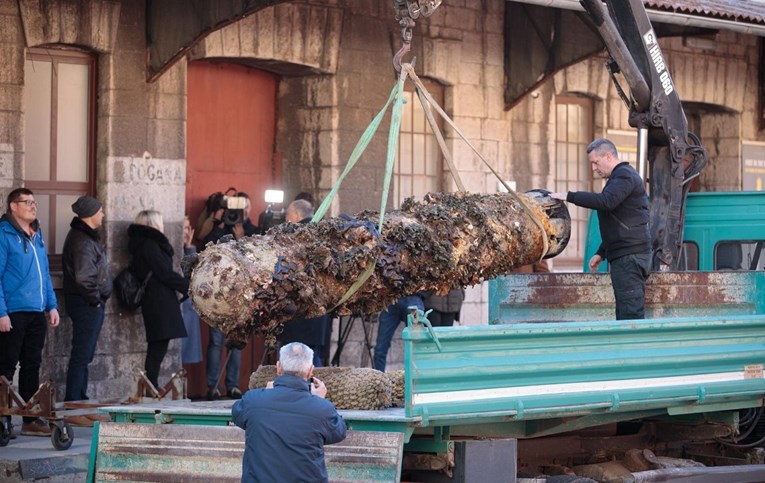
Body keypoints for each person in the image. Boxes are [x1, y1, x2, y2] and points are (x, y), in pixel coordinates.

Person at [551, 138, 651, 320]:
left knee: (630, 314)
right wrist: (601, 252)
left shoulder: (624, 176)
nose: (594, 168)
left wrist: (569, 196)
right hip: (625, 255)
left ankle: (632, 347)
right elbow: (618, 221)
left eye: (595, 162)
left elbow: (606, 202)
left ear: (608, 156)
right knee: (625, 312)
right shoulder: (618, 178)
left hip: (630, 257)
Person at [232, 342, 347, 483]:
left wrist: (265, 394)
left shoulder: (252, 401)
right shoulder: (322, 409)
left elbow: (237, 413)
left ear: (278, 368)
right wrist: (318, 400)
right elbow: (339, 432)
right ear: (311, 371)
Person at [0, 188, 60, 436]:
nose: (33, 206)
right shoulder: (4, 234)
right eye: (27, 202)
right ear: (13, 206)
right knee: (5, 367)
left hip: (36, 311)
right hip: (12, 312)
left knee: (31, 365)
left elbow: (44, 273)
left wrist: (52, 305)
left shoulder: (37, 234)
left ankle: (29, 419)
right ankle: (2, 419)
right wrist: (1, 312)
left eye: (34, 202)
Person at [203, 192, 257, 400]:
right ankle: (212, 385)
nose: (241, 212)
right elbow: (206, 246)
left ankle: (233, 385)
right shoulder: (221, 227)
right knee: (216, 342)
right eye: (237, 208)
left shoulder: (252, 229)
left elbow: (256, 257)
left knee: (236, 341)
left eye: (245, 208)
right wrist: (217, 222)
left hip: (241, 294)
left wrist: (243, 238)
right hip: (218, 292)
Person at [127, 210, 189, 390]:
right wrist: (188, 286)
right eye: (160, 221)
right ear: (153, 224)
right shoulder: (149, 244)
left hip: (158, 299)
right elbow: (164, 273)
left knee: (159, 344)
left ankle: (150, 385)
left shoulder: (147, 243)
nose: (163, 224)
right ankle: (150, 386)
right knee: (157, 346)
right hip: (158, 300)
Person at [62, 196, 112, 402]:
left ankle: (80, 399)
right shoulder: (82, 240)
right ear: (91, 214)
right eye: (100, 211)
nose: (103, 214)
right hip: (86, 303)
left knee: (85, 355)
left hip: (88, 303)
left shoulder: (86, 237)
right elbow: (84, 278)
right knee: (82, 355)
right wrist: (95, 300)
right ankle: (74, 401)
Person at [277, 200, 330, 366]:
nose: (286, 220)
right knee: (314, 362)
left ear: (296, 215)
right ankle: (315, 392)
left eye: (287, 216)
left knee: (293, 364)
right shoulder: (324, 234)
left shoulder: (294, 236)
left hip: (297, 315)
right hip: (319, 315)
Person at [373, 293, 424, 372]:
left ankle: (418, 378)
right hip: (390, 298)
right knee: (380, 349)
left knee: (417, 345)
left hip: (414, 295)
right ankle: (379, 380)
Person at [180, 216, 202, 364]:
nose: (187, 232)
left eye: (189, 228)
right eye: (184, 227)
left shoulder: (189, 251)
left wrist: (189, 247)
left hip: (187, 306)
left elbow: (194, 275)